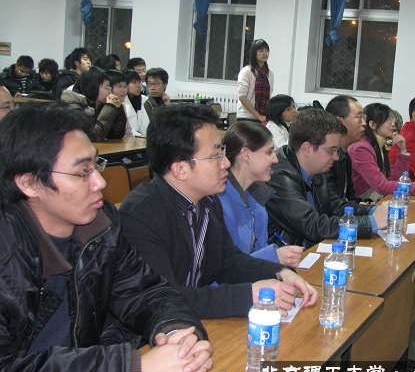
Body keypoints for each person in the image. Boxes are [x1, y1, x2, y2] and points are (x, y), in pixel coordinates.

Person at [0, 102, 213, 372]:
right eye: (82, 172)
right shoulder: (7, 252)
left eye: (96, 165)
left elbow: (145, 291)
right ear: (29, 183)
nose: (100, 182)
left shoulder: (101, 226)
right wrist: (131, 371)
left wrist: (175, 331)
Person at [119, 105, 318, 319]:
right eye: (216, 156)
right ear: (180, 169)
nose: (226, 163)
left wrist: (280, 272)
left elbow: (228, 262)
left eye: (222, 152)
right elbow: (161, 297)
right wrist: (248, 295)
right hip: (155, 331)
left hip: (194, 321)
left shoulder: (207, 201)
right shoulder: (141, 214)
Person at [266, 108, 390, 248]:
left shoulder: (315, 168)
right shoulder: (280, 176)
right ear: (307, 148)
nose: (336, 157)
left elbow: (334, 205)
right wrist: (371, 222)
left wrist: (373, 211)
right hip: (292, 254)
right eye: (331, 150)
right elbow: (312, 226)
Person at [218, 122, 304, 267]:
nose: (276, 159)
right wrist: (273, 256)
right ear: (246, 154)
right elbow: (225, 268)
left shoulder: (257, 198)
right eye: (269, 152)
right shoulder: (219, 203)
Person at [349, 103, 415, 201]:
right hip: (364, 201)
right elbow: (381, 186)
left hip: (378, 196)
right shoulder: (361, 148)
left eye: (392, 119)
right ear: (372, 124)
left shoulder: (378, 144)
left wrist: (403, 151)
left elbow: (395, 179)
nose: (393, 124)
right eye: (388, 120)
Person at [61, 68, 122, 142]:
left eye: (110, 88)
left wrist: (117, 108)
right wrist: (109, 107)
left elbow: (116, 135)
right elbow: (95, 136)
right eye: (106, 87)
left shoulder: (98, 104)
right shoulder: (73, 105)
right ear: (92, 87)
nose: (110, 91)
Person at [325, 95, 367, 201]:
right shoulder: (325, 156)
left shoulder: (344, 153)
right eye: (359, 117)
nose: (364, 123)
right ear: (340, 121)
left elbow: (350, 197)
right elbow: (331, 203)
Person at [237, 39, 274, 122]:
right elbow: (242, 97)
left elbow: (268, 97)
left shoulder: (269, 74)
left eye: (266, 50)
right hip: (246, 116)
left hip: (263, 116)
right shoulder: (246, 71)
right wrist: (258, 115)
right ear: (254, 53)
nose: (265, 53)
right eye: (261, 51)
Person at [104, 69, 130, 139]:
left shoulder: (121, 105)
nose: (123, 90)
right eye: (119, 86)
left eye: (125, 86)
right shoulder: (104, 107)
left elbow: (128, 132)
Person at [123, 68, 150, 136]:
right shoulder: (122, 102)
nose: (138, 86)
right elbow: (128, 130)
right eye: (134, 82)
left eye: (139, 82)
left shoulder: (143, 100)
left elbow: (145, 125)